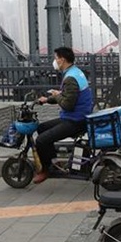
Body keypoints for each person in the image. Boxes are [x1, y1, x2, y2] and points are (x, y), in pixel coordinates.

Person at [33, 47, 94, 184]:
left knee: (41, 140)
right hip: (77, 117)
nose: (54, 61)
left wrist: (57, 95)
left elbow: (67, 104)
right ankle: (54, 162)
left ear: (62, 60)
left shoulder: (70, 78)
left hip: (75, 120)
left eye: (56, 58)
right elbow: (68, 96)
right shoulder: (75, 72)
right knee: (41, 128)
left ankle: (46, 170)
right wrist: (47, 99)